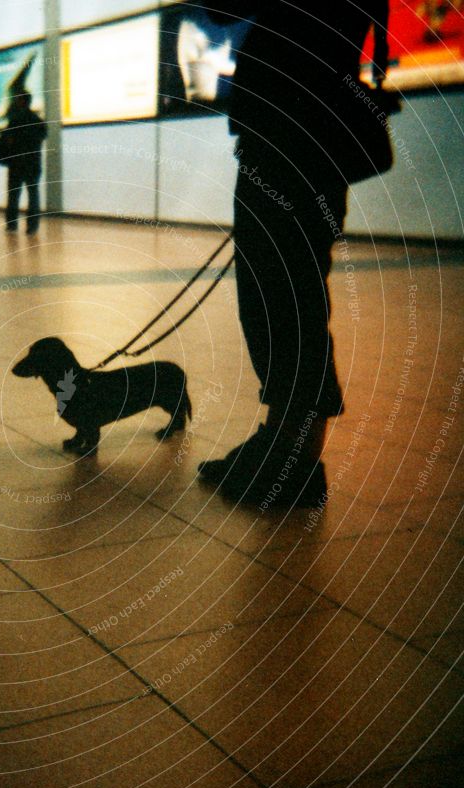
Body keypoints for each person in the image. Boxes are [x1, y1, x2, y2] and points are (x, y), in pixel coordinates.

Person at [196, 1, 390, 508]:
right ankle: (284, 442)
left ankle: (296, 461)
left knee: (285, 300)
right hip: (292, 138)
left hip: (292, 141)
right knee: (278, 298)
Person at [2, 92, 46, 235]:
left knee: (13, 194)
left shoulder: (14, 121)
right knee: (33, 194)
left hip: (16, 163)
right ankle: (32, 226)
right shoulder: (38, 121)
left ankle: (11, 224)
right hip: (33, 163)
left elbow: (6, 139)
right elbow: (42, 137)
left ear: (21, 101)